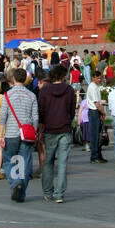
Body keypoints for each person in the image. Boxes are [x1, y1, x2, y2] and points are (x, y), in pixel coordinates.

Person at [37, 61, 76, 204]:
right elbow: (72, 110)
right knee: (63, 162)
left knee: (48, 161)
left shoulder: (45, 90)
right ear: (63, 76)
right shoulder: (69, 90)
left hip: (49, 129)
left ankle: (48, 192)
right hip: (65, 128)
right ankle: (59, 193)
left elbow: (41, 111)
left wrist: (41, 128)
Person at [0, 68, 39, 203]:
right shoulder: (32, 95)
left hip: (11, 132)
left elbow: (3, 116)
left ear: (14, 79)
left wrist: (0, 135)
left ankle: (15, 182)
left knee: (9, 159)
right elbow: (35, 117)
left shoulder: (7, 95)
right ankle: (21, 193)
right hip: (26, 132)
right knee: (25, 162)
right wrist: (35, 131)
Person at [86, 69, 107, 163]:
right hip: (94, 112)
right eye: (98, 78)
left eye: (100, 78)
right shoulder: (92, 87)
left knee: (99, 134)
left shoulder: (96, 86)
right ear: (93, 78)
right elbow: (96, 104)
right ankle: (94, 156)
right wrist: (103, 112)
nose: (99, 80)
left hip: (96, 112)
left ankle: (99, 154)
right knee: (95, 135)